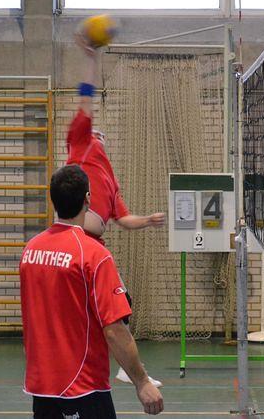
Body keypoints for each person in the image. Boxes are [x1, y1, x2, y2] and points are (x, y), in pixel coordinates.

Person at [20, 165, 163, 418]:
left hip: (41, 387)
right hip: (83, 388)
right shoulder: (94, 255)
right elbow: (115, 331)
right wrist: (142, 381)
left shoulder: (31, 250)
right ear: (87, 199)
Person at [66, 31, 165, 387]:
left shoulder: (109, 180)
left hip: (94, 248)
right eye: (96, 134)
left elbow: (123, 219)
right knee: (94, 311)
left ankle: (125, 366)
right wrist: (92, 59)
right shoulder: (80, 147)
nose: (99, 137)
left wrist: (150, 220)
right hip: (73, 241)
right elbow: (87, 99)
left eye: (102, 136)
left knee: (119, 305)